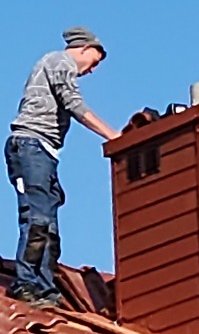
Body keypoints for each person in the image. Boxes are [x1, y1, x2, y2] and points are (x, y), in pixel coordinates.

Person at [7, 28, 120, 306]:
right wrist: (113, 136)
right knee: (37, 218)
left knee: (49, 225)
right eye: (95, 61)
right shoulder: (59, 61)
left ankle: (45, 288)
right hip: (30, 146)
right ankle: (26, 284)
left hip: (43, 152)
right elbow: (73, 104)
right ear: (83, 48)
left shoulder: (57, 64)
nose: (93, 70)